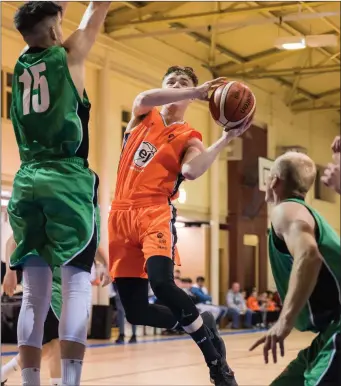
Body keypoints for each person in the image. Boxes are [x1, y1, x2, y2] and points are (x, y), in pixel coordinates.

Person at [108, 65, 253, 386]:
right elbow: (145, 96)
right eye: (171, 82)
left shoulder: (190, 135)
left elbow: (191, 170)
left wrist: (226, 138)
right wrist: (195, 91)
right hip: (119, 215)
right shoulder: (143, 115)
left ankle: (216, 364)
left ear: (193, 97)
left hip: (154, 212)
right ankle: (203, 320)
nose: (176, 85)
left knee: (161, 284)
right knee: (136, 313)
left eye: (183, 82)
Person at [8, 2, 111, 385]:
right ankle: (69, 382)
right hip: (66, 179)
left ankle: (31, 382)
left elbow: (43, 20)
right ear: (55, 30)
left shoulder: (20, 62)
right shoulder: (71, 55)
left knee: (33, 295)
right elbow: (98, 6)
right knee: (76, 284)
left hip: (26, 180)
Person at [250, 151, 341, 385]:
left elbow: (309, 255)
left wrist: (284, 321)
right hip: (330, 330)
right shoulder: (309, 215)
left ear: (274, 181)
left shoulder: (286, 211)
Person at [2, 235, 62, 386]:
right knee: (56, 341)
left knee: (48, 345)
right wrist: (10, 271)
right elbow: (12, 241)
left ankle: (3, 373)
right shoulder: (38, 215)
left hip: (60, 289)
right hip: (43, 287)